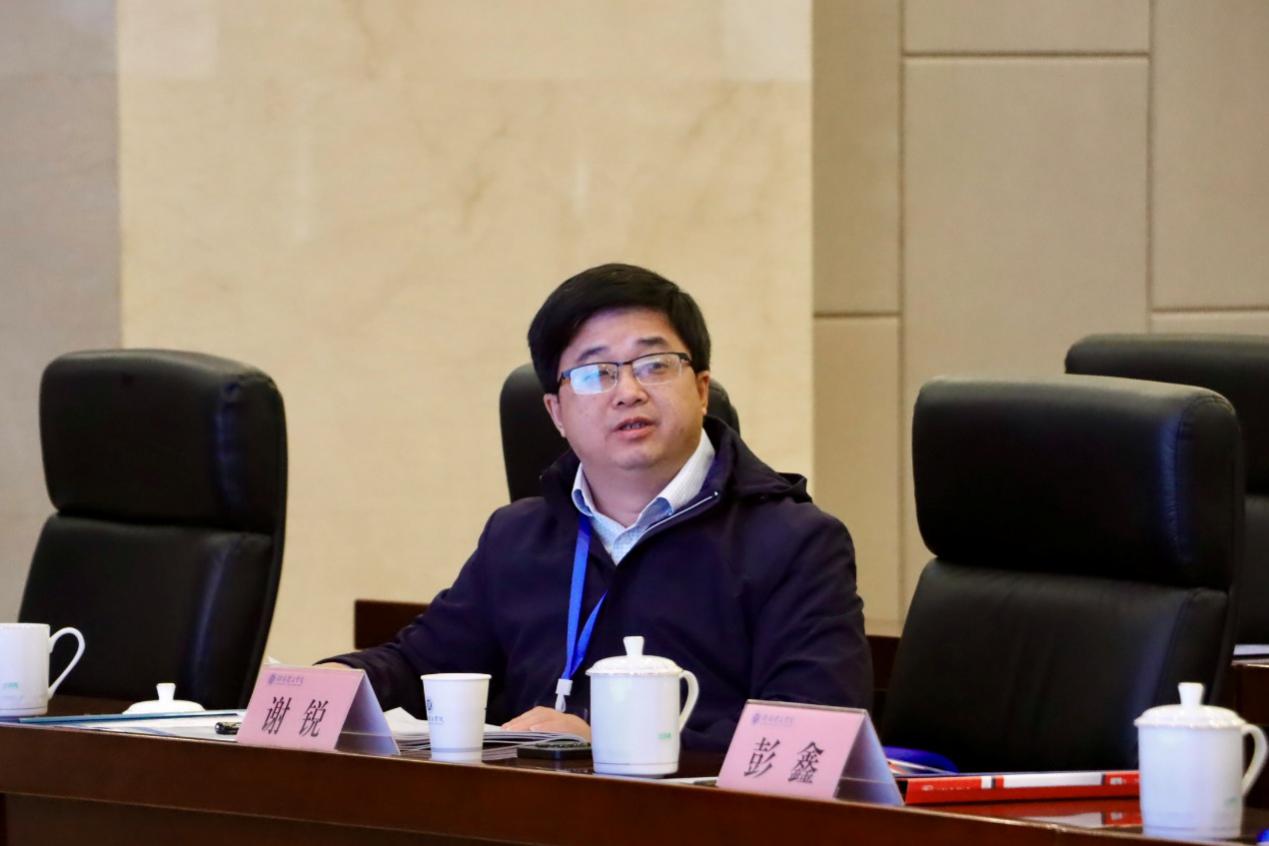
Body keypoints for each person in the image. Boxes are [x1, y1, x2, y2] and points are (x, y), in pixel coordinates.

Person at [324, 263, 871, 750]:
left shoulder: (792, 540)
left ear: (702, 389)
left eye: (655, 365)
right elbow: (419, 667)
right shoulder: (518, 538)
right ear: (556, 413)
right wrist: (328, 683)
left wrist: (612, 742)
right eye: (595, 373)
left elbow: (812, 730)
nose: (628, 391)